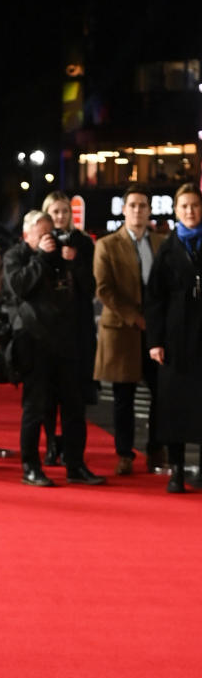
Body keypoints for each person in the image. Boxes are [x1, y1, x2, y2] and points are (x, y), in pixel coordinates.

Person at [2, 209, 105, 486]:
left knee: (74, 407)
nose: (50, 239)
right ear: (28, 235)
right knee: (35, 409)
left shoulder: (63, 255)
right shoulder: (16, 256)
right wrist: (42, 257)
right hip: (34, 343)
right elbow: (20, 286)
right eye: (43, 234)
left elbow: (89, 288)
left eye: (52, 233)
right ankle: (30, 467)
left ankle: (75, 464)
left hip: (67, 342)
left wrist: (74, 263)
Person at [93, 185, 166, 475]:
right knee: (123, 397)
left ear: (149, 210)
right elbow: (104, 290)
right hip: (123, 328)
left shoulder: (162, 243)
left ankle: (156, 450)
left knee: (160, 393)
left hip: (156, 331)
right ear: (124, 210)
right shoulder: (107, 245)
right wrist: (136, 317)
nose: (137, 210)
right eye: (132, 205)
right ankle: (124, 453)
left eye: (143, 205)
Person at [146, 183, 202, 493]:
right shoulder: (167, 249)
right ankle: (177, 470)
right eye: (184, 207)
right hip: (175, 339)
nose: (190, 211)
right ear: (176, 211)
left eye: (195, 205)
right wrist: (155, 341)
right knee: (174, 407)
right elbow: (154, 298)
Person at [39, 191, 97, 465]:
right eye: (54, 212)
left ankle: (74, 452)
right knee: (48, 396)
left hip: (78, 330)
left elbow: (90, 288)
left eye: (64, 211)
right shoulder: (41, 243)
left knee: (76, 397)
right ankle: (51, 443)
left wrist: (74, 261)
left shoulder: (84, 243)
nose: (60, 217)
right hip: (49, 331)